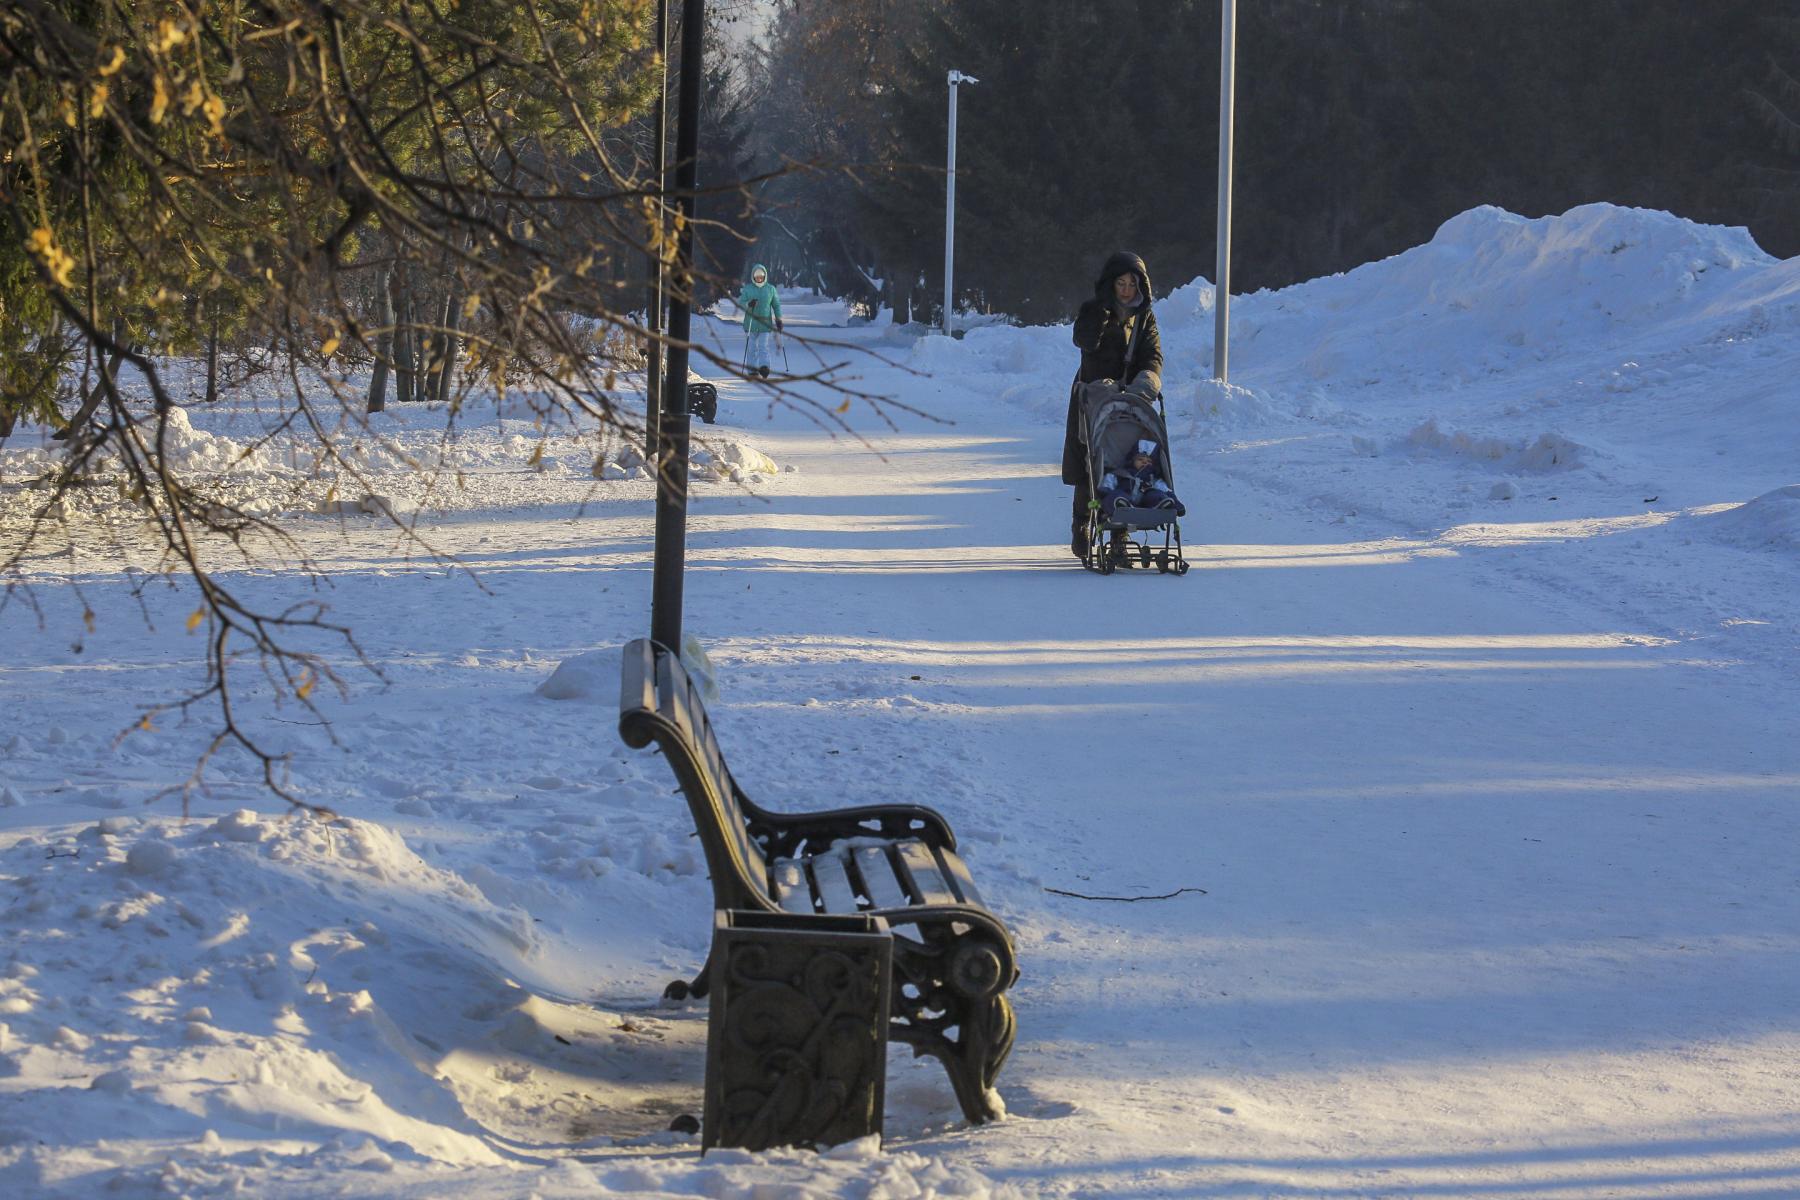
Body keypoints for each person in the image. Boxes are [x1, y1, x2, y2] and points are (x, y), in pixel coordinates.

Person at [1063, 250, 1163, 557]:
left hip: (1132, 398)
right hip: (1094, 395)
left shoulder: (1144, 315)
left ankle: (1119, 530)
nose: (1126, 290)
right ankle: (1082, 521)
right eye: (1121, 283)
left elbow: (1153, 352)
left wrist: (1148, 377)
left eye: (1132, 284)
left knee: (1124, 460)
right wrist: (1100, 317)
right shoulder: (1093, 309)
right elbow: (1084, 342)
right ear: (1111, 284)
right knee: (1090, 461)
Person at [1096, 439, 1185, 520]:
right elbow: (1109, 481)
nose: (1145, 462)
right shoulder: (1122, 473)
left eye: (1149, 461)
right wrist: (1105, 491)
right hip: (1125, 496)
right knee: (1116, 495)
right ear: (1132, 461)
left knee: (1157, 494)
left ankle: (1160, 504)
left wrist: (1177, 505)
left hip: (1146, 502)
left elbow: (1166, 490)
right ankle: (1120, 505)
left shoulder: (1153, 478)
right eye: (1140, 459)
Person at [738, 263, 782, 379]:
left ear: (765, 276)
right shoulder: (748, 289)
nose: (759, 278)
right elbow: (741, 304)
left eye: (761, 276)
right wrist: (749, 304)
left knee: (763, 346)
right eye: (757, 277)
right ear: (753, 277)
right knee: (752, 347)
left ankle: (764, 367)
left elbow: (776, 305)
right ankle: (752, 370)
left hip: (765, 324)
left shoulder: (770, 289)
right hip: (751, 323)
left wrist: (779, 319)